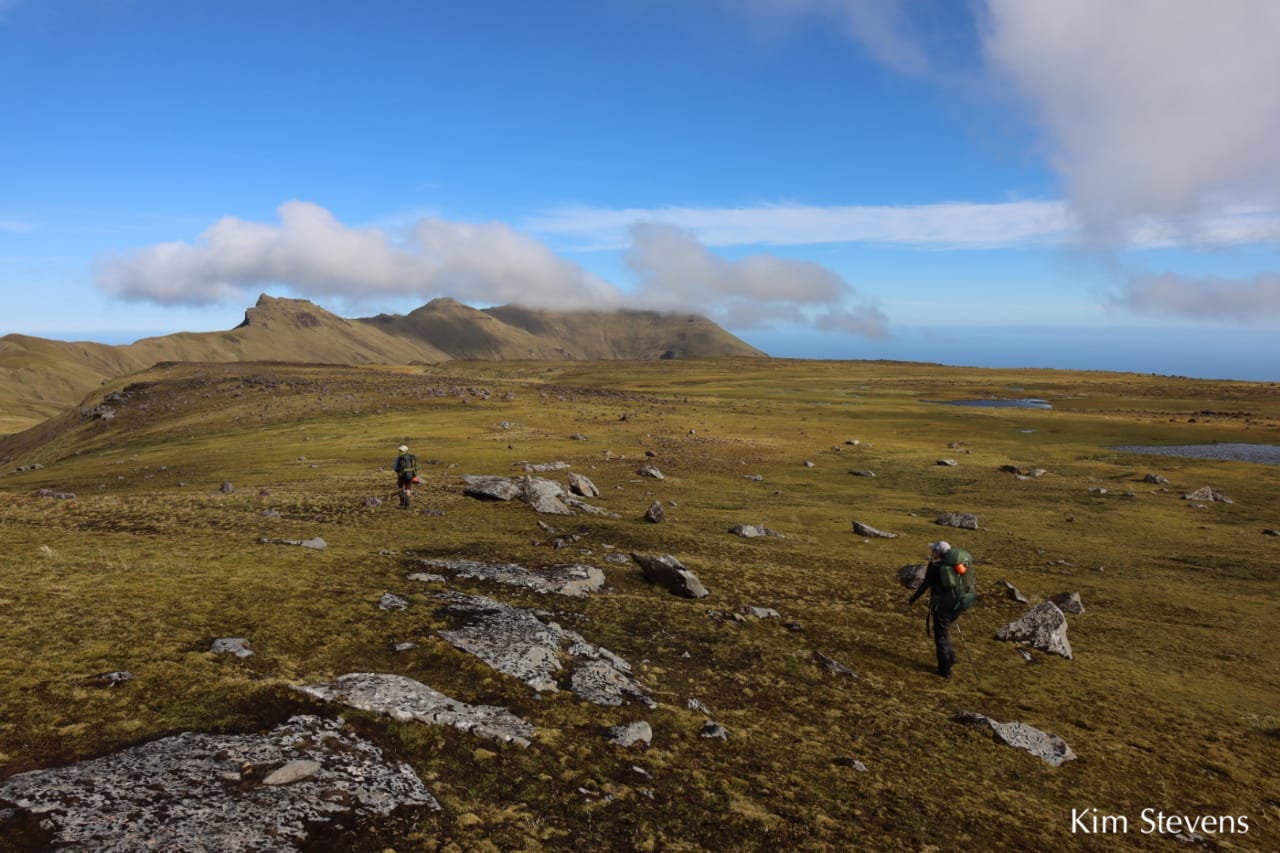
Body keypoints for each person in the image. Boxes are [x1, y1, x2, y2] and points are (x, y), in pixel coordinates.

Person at [908, 540, 975, 678]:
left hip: (943, 606)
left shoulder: (935, 566)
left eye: (933, 550)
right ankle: (951, 657)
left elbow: (925, 584)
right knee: (945, 631)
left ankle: (945, 669)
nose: (932, 552)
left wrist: (913, 598)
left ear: (938, 552)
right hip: (958, 604)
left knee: (940, 635)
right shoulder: (956, 565)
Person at [393, 444, 419, 508]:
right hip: (410, 475)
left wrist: (399, 472)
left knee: (400, 487)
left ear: (401, 450)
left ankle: (402, 502)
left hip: (401, 475)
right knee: (408, 488)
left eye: (400, 450)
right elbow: (415, 466)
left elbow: (395, 468)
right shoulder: (411, 457)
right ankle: (407, 504)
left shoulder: (399, 458)